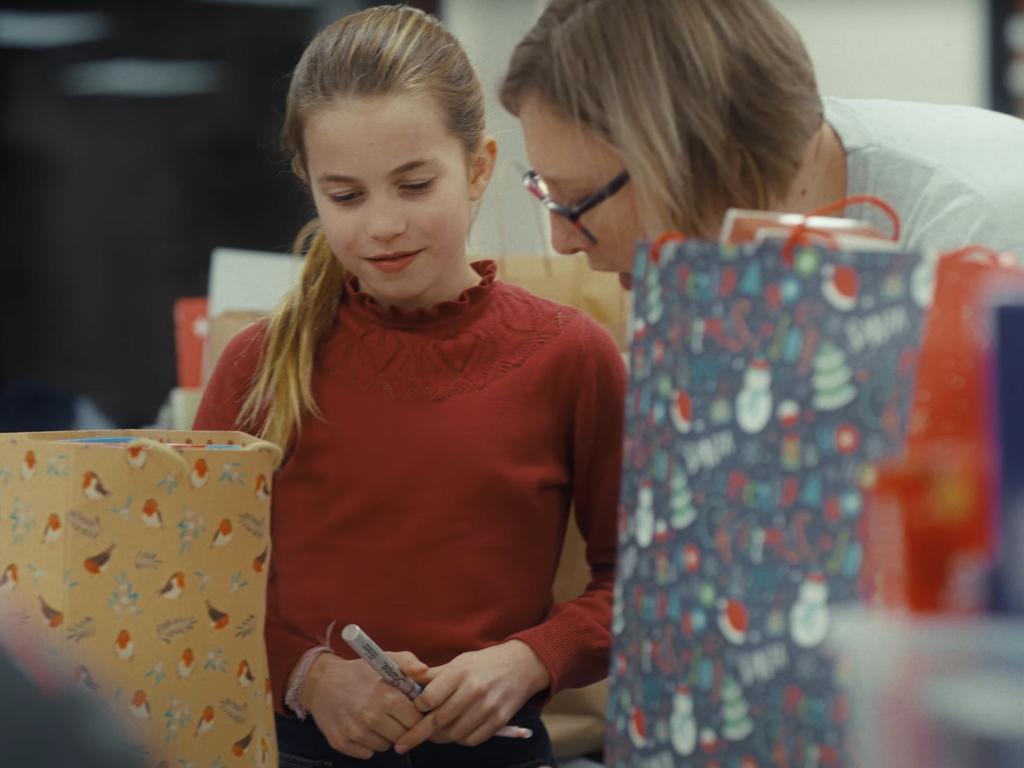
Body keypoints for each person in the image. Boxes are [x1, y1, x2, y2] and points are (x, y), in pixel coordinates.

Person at [193, 5, 626, 767]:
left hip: (500, 751)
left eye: (414, 184)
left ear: (481, 166)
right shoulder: (257, 365)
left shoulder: (576, 358)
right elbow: (188, 585)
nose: (383, 225)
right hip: (294, 748)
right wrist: (310, 676)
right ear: (312, 190)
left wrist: (530, 658)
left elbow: (644, 583)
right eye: (347, 197)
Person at [499, 0, 1024, 289]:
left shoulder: (978, 242)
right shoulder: (717, 230)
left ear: (709, 159)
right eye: (545, 190)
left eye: (577, 199)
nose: (562, 240)